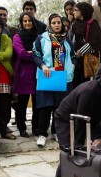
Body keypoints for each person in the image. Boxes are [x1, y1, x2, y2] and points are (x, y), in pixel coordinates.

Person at [33, 13, 76, 147]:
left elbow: (73, 56)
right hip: (48, 75)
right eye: (53, 23)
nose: (56, 25)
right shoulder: (42, 39)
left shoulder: (67, 40)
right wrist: (43, 65)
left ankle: (56, 132)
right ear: (49, 25)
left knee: (60, 107)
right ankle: (42, 134)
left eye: (58, 22)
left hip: (64, 77)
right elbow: (35, 55)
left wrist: (72, 66)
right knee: (45, 106)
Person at [13, 12, 38, 138]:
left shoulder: (38, 36)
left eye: (29, 20)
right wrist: (34, 55)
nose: (27, 23)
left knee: (37, 102)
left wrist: (32, 53)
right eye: (25, 21)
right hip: (23, 73)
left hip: (37, 73)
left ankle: (36, 127)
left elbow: (42, 53)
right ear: (21, 23)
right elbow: (21, 53)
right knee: (22, 103)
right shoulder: (17, 36)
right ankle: (21, 128)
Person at [69, 2, 101, 88]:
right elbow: (70, 38)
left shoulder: (93, 23)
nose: (73, 12)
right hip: (75, 57)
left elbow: (94, 41)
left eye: (76, 10)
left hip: (87, 57)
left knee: (85, 82)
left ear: (83, 11)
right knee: (74, 80)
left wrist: (80, 52)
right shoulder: (74, 23)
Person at [0, 6, 19, 133]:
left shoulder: (13, 31)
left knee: (12, 99)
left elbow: (14, 52)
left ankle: (7, 124)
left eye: (4, 14)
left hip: (11, 69)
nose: (3, 17)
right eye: (0, 14)